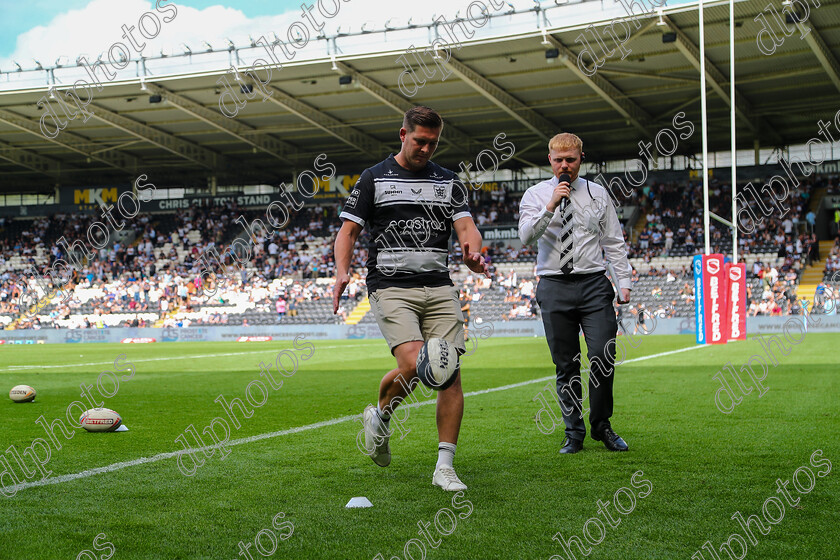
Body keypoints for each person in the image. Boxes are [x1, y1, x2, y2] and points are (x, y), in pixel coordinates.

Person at [332, 106, 489, 491]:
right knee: (419, 362)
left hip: (438, 285)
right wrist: (341, 272)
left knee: (447, 371)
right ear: (402, 135)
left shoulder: (449, 181)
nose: (426, 149)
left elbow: (467, 226)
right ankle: (382, 418)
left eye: (433, 143)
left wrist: (472, 252)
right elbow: (349, 231)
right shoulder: (372, 178)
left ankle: (444, 466)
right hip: (390, 286)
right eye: (420, 141)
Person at [518, 132, 632, 454]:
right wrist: (552, 204)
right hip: (554, 285)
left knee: (602, 356)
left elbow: (613, 241)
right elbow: (526, 236)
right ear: (549, 160)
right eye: (559, 160)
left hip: (595, 284)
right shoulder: (535, 195)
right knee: (566, 365)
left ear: (581, 158)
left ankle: (602, 426)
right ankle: (574, 432)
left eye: (571, 159)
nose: (564, 165)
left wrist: (623, 282)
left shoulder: (598, 194)